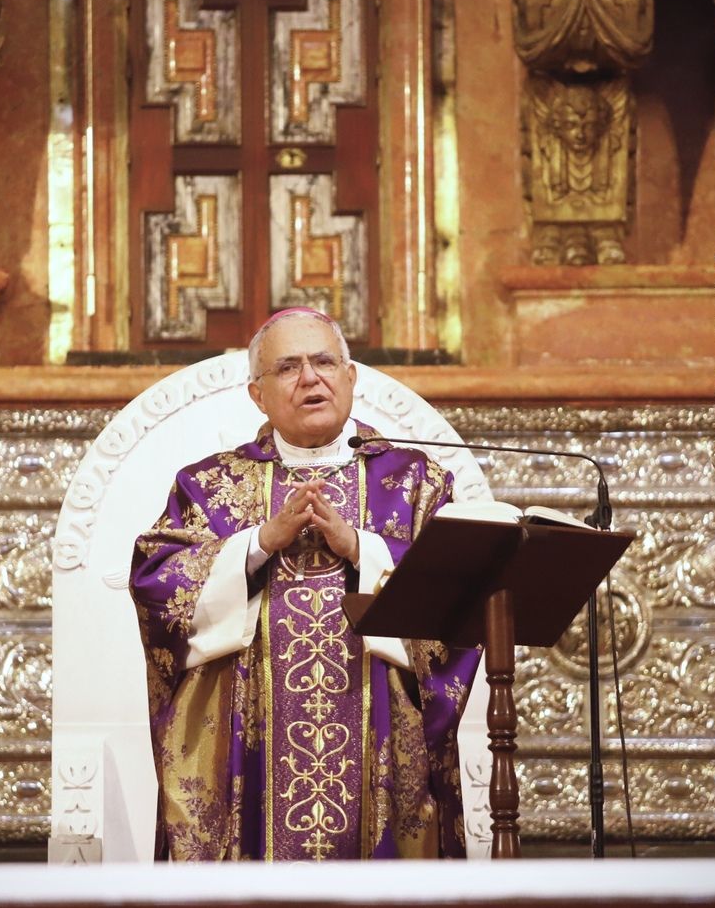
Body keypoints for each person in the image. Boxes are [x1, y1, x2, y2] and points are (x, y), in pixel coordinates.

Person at [131, 308, 480, 861]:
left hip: (384, 755)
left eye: (323, 362)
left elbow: (457, 597)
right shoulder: (209, 485)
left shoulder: (415, 480)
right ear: (258, 394)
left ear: (350, 377)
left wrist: (359, 547)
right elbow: (158, 585)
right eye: (288, 368)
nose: (310, 378)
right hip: (250, 752)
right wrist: (259, 542)